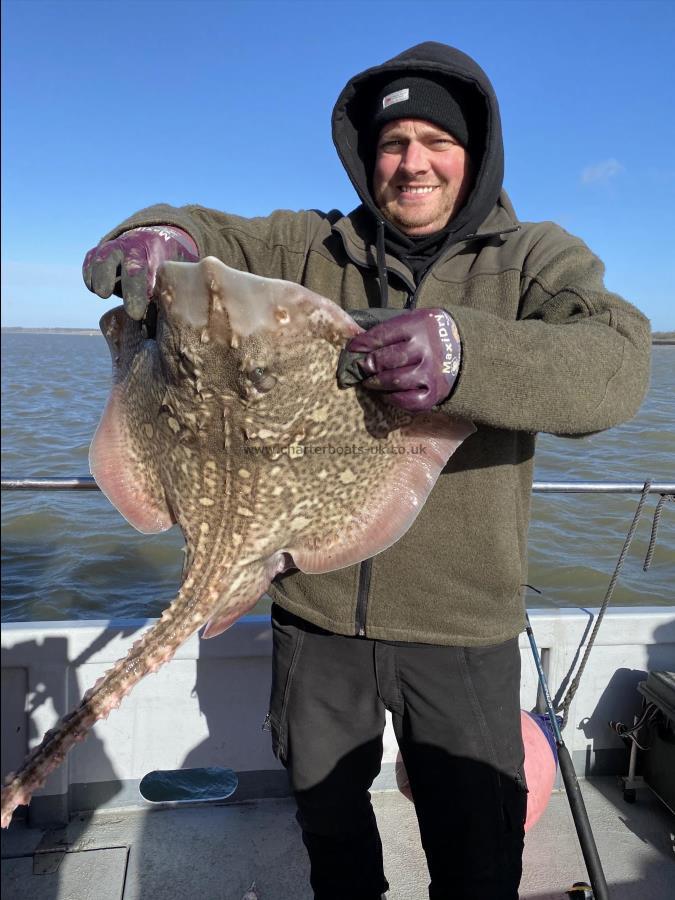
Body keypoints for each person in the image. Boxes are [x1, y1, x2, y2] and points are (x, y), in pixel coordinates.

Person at [82, 42, 650, 900]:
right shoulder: (311, 244)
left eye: (436, 141)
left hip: (461, 626)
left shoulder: (536, 257)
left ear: (476, 153)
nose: (411, 161)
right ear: (365, 156)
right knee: (331, 835)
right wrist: (152, 234)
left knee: (475, 852)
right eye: (392, 143)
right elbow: (200, 229)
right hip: (312, 621)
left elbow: (614, 365)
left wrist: (467, 354)